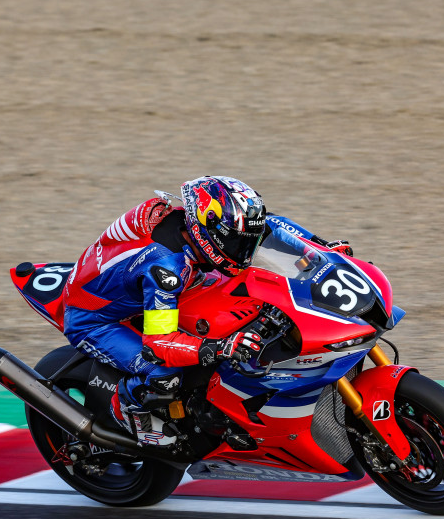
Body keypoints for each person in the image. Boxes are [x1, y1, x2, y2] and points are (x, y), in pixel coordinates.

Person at [61, 176, 352, 444]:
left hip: (148, 284)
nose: (246, 250)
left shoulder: (202, 226)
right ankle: (124, 409)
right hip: (97, 320)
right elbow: (160, 343)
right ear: (205, 230)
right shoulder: (166, 269)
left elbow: (272, 226)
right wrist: (221, 348)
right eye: (238, 242)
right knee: (167, 370)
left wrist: (321, 249)